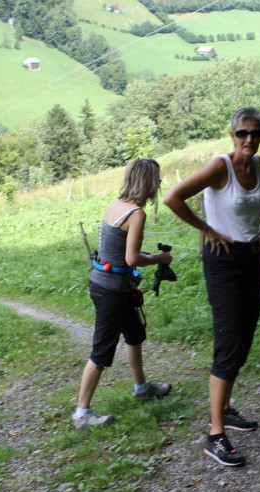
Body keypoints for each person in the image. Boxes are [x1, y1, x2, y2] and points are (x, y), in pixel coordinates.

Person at [164, 107, 260, 466]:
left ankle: (224, 410)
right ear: (232, 135)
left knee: (244, 338)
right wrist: (207, 229)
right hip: (223, 261)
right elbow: (173, 197)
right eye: (243, 133)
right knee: (229, 341)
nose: (249, 139)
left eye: (256, 133)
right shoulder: (220, 167)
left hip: (253, 257)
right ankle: (215, 435)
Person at [73, 158, 174, 429]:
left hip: (108, 284)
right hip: (111, 291)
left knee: (134, 333)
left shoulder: (117, 204)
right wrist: (158, 259)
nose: (159, 184)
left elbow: (119, 251)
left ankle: (141, 388)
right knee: (102, 350)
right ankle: (82, 414)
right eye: (157, 179)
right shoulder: (137, 214)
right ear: (148, 182)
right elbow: (131, 259)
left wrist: (149, 255)